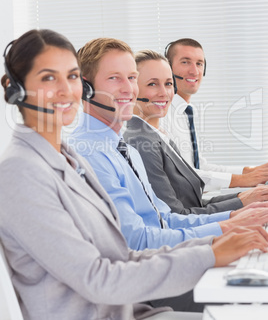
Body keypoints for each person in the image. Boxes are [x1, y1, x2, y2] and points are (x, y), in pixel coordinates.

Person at [0, 29, 253, 320]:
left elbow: (120, 252)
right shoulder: (21, 172)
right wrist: (211, 251)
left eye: (71, 77)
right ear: (16, 89)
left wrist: (216, 242)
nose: (66, 90)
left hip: (128, 309)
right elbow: (99, 277)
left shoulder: (68, 158)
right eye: (48, 77)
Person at [69, 37, 268, 312]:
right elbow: (136, 242)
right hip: (146, 287)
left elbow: (165, 220)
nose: (129, 88)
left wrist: (231, 219)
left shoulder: (123, 147)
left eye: (132, 78)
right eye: (115, 78)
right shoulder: (90, 153)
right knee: (257, 300)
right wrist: (220, 234)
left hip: (164, 265)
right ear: (84, 87)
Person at [124, 49, 268, 214]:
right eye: (152, 84)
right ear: (132, 90)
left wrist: (248, 197)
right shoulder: (140, 142)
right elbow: (176, 217)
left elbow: (194, 202)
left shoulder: (159, 135)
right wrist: (241, 202)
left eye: (168, 84)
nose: (164, 93)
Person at [162, 38, 268, 191]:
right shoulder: (163, 114)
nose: (194, 71)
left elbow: (199, 166)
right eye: (185, 62)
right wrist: (244, 179)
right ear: (168, 68)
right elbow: (183, 175)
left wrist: (250, 171)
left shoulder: (185, 113)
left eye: (199, 63)